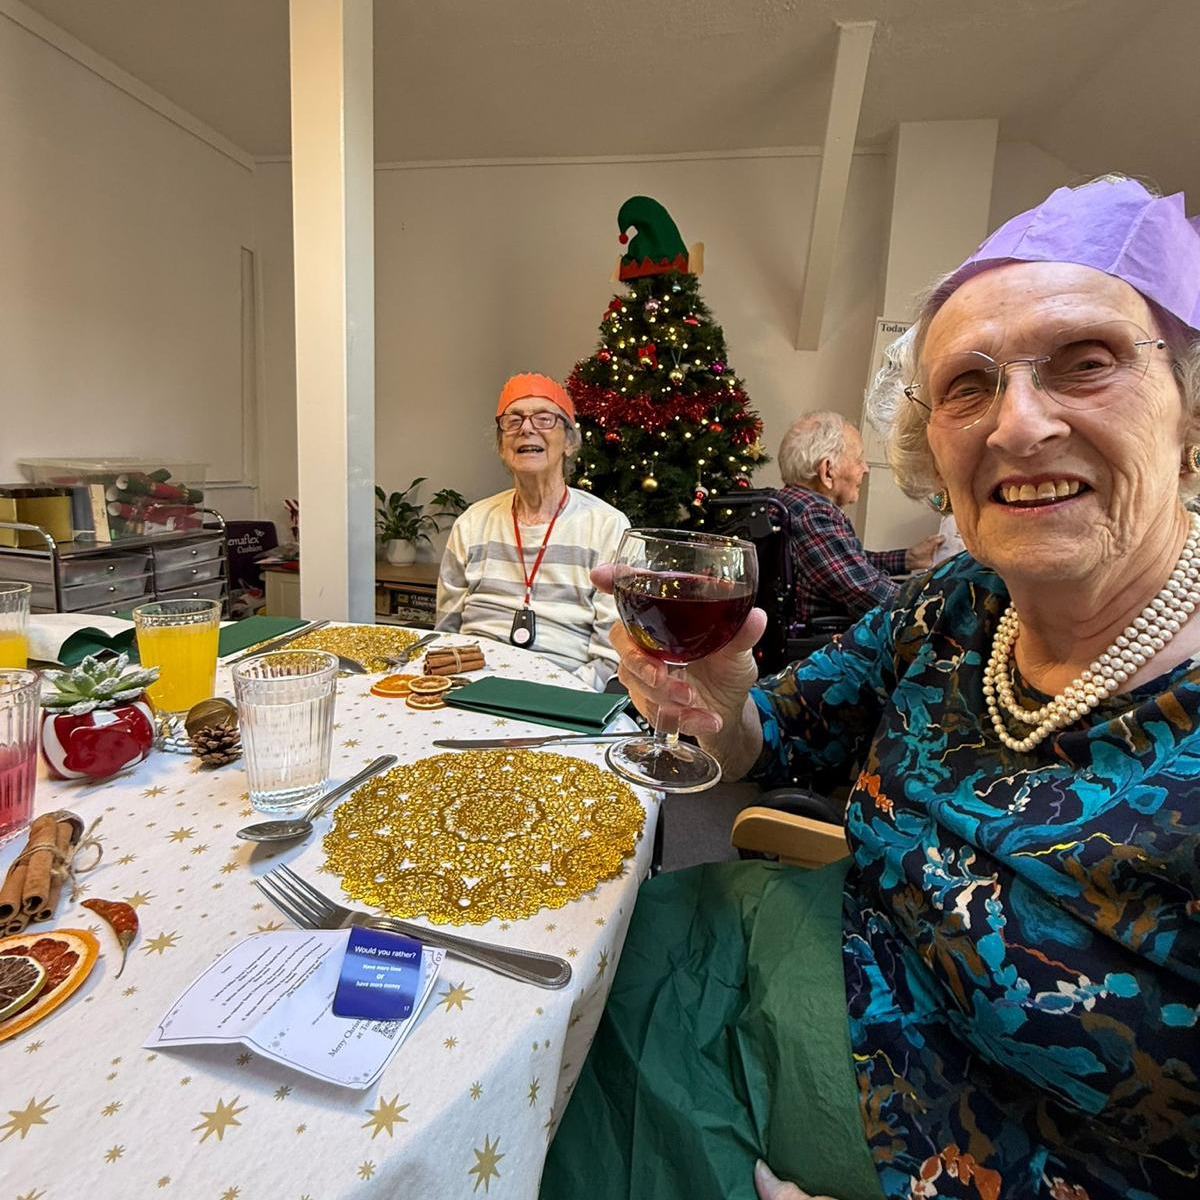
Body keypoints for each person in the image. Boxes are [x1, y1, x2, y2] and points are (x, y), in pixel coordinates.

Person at [541, 176, 1200, 1200]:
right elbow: (778, 732)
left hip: (955, 1149)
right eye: (970, 386)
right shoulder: (957, 606)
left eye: (1087, 361)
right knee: (552, 990)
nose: (1019, 426)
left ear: (1189, 409)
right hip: (792, 948)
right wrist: (721, 706)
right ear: (928, 442)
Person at [436, 373, 628, 689]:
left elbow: (613, 651)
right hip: (470, 689)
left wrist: (556, 698)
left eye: (544, 418)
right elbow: (447, 632)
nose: (527, 428)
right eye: (513, 420)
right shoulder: (471, 523)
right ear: (502, 446)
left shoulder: (607, 527)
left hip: (565, 696)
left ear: (569, 441)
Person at [775, 412, 941, 629]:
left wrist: (908, 558)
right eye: (858, 459)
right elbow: (865, 589)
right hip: (825, 644)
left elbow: (848, 561)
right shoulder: (813, 513)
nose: (865, 468)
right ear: (827, 471)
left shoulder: (793, 503)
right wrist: (935, 606)